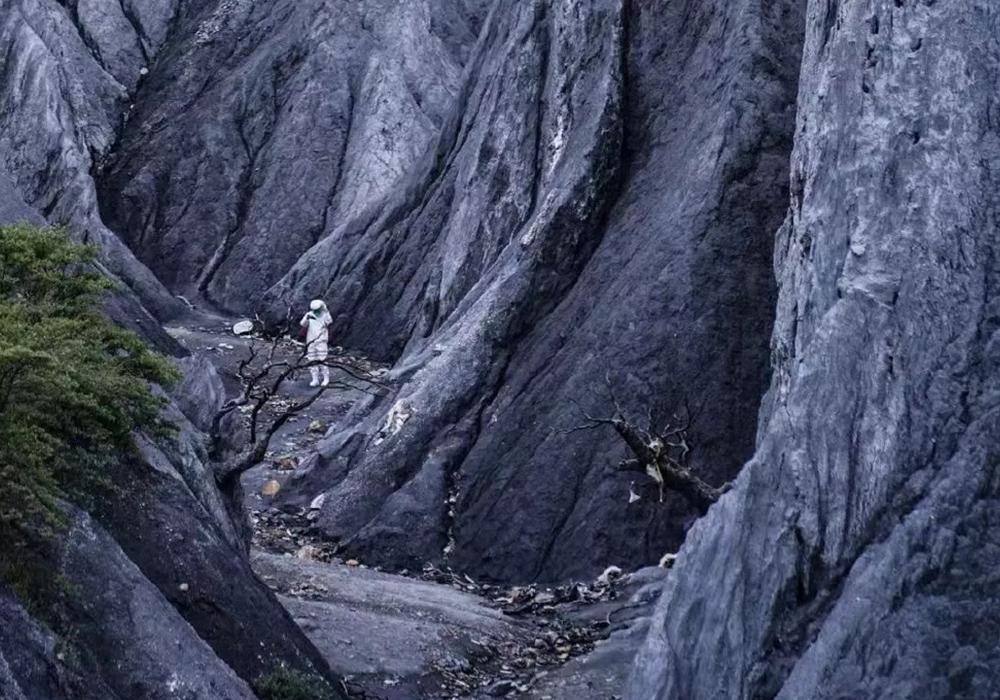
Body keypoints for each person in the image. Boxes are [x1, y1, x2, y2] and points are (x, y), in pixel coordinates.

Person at [300, 299, 333, 387]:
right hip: (311, 341)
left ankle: (326, 378)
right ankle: (315, 379)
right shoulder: (309, 314)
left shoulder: (325, 314)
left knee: (322, 359)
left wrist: (326, 311)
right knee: (312, 359)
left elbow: (329, 322)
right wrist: (307, 319)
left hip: (321, 341)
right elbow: (303, 324)